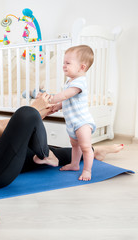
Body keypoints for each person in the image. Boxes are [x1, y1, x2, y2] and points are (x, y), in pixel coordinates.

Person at [0, 44, 123, 190]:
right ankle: (47, 155)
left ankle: (93, 151)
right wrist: (33, 110)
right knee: (26, 113)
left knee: (38, 138)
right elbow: (0, 133)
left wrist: (42, 111)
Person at [37, 45, 96, 181]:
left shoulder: (79, 83)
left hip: (82, 122)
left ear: (82, 67)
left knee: (86, 147)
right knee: (75, 145)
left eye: (68, 63)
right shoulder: (70, 81)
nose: (64, 66)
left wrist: (50, 99)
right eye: (64, 62)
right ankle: (75, 164)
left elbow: (65, 95)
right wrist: (57, 106)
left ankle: (87, 170)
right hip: (72, 122)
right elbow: (67, 101)